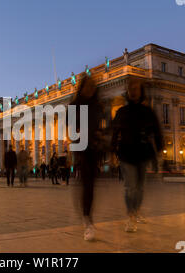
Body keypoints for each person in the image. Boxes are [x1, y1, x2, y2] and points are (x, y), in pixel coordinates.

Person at [110, 78, 163, 233]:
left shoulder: (147, 111)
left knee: (139, 187)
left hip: (142, 153)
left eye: (136, 88)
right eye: (131, 88)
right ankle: (131, 216)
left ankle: (137, 211)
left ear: (141, 91)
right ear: (128, 92)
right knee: (130, 187)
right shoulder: (122, 111)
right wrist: (112, 150)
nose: (133, 91)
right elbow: (114, 131)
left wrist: (159, 149)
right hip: (126, 153)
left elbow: (157, 130)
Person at [70, 75, 105, 241]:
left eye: (93, 86)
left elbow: (104, 124)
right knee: (87, 182)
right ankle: (87, 219)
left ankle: (87, 216)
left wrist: (101, 134)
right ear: (82, 87)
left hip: (94, 148)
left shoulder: (98, 106)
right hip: (81, 147)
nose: (90, 89)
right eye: (87, 86)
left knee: (90, 183)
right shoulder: (74, 105)